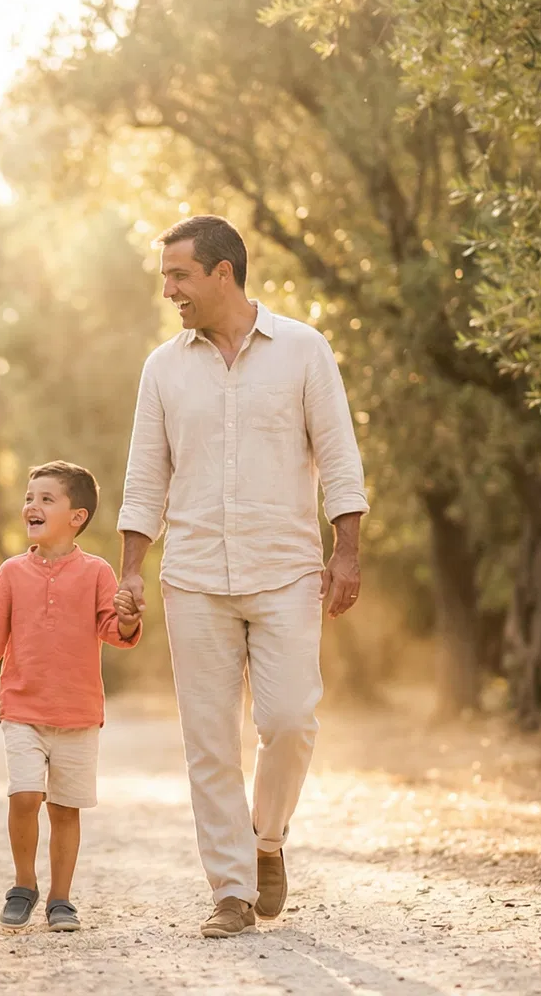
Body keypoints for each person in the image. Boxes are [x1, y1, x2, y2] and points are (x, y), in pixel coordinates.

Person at [114, 215, 368, 938]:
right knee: (209, 739)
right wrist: (131, 571)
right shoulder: (163, 367)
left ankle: (267, 839)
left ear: (222, 273)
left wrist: (345, 549)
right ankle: (230, 889)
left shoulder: (303, 350)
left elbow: (339, 456)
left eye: (179, 276)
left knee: (290, 719)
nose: (169, 291)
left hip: (286, 568)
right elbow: (144, 476)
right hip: (193, 575)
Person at [0, 461, 141, 935]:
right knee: (24, 795)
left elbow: (114, 632)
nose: (31, 507)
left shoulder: (98, 572)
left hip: (78, 713)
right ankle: (24, 885)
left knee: (64, 809)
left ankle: (61, 898)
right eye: (29, 497)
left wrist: (125, 618)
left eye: (45, 499)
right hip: (22, 709)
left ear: (76, 516)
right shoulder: (11, 573)